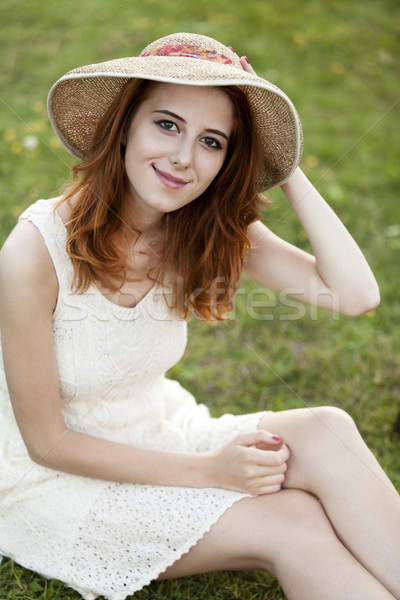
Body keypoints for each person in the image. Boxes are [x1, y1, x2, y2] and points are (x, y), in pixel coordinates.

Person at [0, 32, 398, 600]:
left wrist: (282, 165)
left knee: (326, 430)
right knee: (294, 522)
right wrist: (215, 472)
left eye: (212, 141)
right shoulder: (34, 252)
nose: (184, 158)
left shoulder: (203, 224)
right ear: (124, 125)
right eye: (167, 125)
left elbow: (355, 294)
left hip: (160, 434)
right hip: (57, 480)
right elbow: (48, 443)